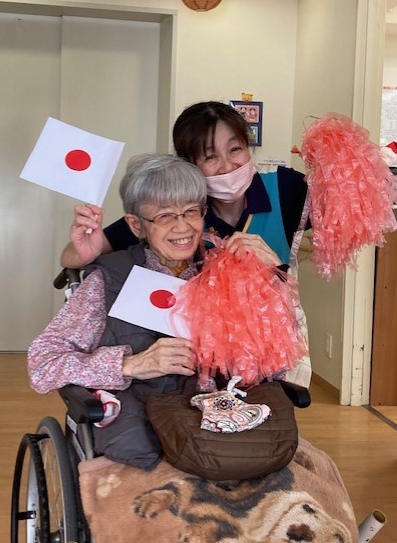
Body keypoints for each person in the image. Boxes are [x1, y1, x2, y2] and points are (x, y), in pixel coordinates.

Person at [28, 154, 208, 472]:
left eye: (191, 211)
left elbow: (272, 363)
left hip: (215, 424)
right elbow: (42, 365)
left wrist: (272, 287)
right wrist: (129, 365)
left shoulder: (221, 272)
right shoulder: (110, 278)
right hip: (143, 431)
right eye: (165, 216)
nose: (183, 227)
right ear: (136, 225)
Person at [60, 101, 309, 272]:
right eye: (210, 157)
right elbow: (70, 256)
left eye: (235, 149)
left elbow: (333, 227)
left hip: (272, 325)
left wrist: (330, 168)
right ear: (189, 165)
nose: (227, 166)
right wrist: (86, 251)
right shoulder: (176, 211)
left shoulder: (285, 187)